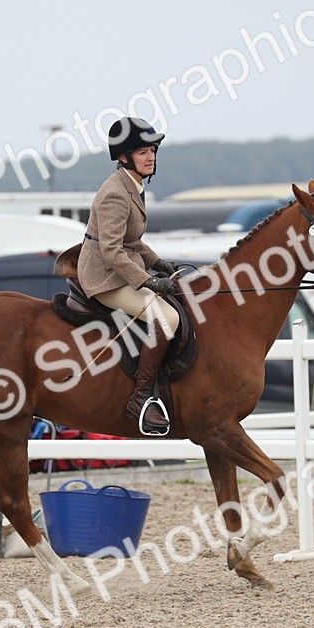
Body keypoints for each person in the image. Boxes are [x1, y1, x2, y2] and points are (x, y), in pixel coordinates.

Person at [77, 116, 180, 436]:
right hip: (103, 276)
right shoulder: (116, 193)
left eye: (152, 150)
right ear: (124, 157)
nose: (151, 156)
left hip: (121, 266)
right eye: (143, 151)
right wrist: (147, 280)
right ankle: (140, 399)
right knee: (167, 318)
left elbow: (132, 242)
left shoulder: (133, 185)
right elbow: (111, 251)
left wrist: (159, 263)